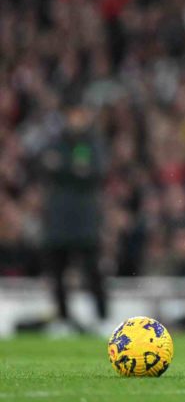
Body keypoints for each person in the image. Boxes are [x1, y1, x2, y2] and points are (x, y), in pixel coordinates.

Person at [40, 101, 108, 335]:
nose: (77, 119)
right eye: (73, 114)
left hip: (85, 219)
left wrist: (62, 167)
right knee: (57, 271)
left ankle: (101, 317)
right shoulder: (57, 141)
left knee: (92, 270)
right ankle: (63, 318)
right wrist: (75, 170)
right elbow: (44, 164)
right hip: (58, 219)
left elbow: (95, 171)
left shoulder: (91, 143)